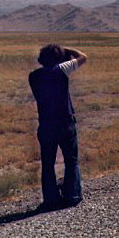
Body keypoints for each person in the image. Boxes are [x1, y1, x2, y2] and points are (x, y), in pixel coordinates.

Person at [28, 44, 88, 211]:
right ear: (60, 59)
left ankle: (51, 199)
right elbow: (83, 56)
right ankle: (72, 195)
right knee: (71, 160)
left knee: (47, 163)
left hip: (46, 123)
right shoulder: (61, 70)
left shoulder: (34, 76)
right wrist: (67, 49)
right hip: (65, 122)